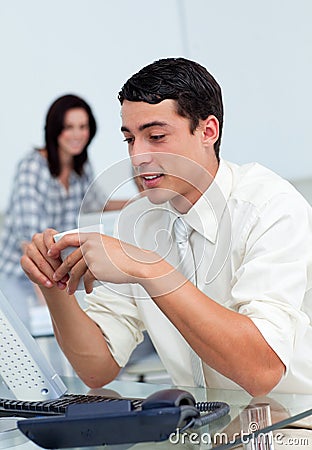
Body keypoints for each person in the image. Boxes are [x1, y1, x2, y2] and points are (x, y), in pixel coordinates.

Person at [21, 58, 312, 397]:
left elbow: (262, 371)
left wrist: (150, 269)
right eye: (130, 139)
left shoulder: (271, 207)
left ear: (208, 132)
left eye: (156, 136)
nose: (137, 156)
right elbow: (97, 367)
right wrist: (53, 283)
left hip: (294, 427)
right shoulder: (139, 220)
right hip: (202, 430)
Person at [0, 93, 126, 328]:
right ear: (55, 129)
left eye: (83, 126)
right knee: (42, 332)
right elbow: (30, 243)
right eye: (69, 127)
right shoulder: (31, 168)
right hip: (21, 273)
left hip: (59, 271)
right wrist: (51, 302)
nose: (77, 134)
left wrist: (143, 200)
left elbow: (100, 204)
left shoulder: (81, 167)